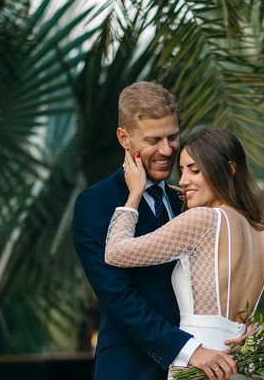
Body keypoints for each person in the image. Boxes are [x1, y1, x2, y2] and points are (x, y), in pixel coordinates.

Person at [73, 82, 240, 380]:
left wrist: (236, 326)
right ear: (124, 138)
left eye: (173, 137)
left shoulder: (187, 200)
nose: (167, 150)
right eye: (154, 140)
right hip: (132, 368)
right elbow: (119, 297)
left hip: (204, 366)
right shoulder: (95, 204)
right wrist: (190, 349)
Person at [104, 127, 264, 380]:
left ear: (229, 170)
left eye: (195, 170)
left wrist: (135, 194)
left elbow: (115, 252)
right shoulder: (262, 234)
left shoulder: (204, 219)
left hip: (201, 365)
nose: (183, 180)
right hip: (239, 366)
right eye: (182, 170)